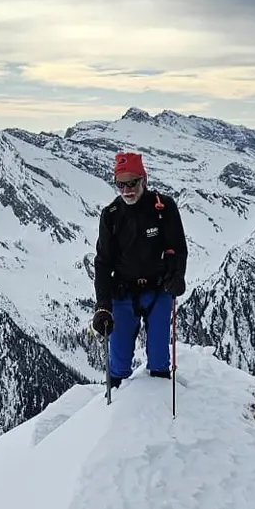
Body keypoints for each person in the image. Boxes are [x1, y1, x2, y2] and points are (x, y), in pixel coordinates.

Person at [91, 150, 187, 385]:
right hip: (122, 293)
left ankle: (161, 403)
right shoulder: (111, 215)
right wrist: (103, 307)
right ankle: (115, 405)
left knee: (159, 361)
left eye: (132, 182)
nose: (127, 190)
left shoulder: (163, 207)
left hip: (159, 289)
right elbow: (103, 262)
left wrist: (177, 276)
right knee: (118, 365)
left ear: (144, 179)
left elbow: (177, 248)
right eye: (120, 184)